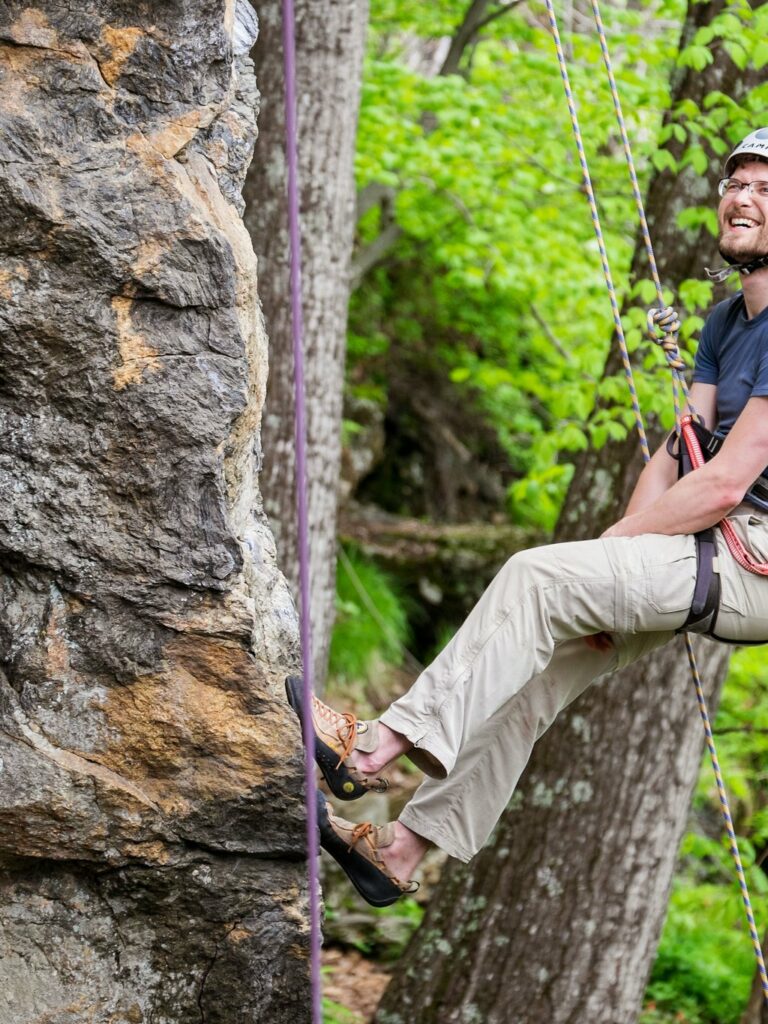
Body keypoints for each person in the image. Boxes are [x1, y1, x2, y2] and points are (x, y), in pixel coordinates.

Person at [287, 128, 768, 908]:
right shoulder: (725, 324)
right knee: (535, 679)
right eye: (736, 183)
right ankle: (401, 852)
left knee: (533, 576)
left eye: (765, 190)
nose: (742, 198)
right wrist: (612, 573)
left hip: (749, 561)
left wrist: (611, 551)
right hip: (706, 548)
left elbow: (724, 486)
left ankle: (374, 747)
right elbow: (675, 461)